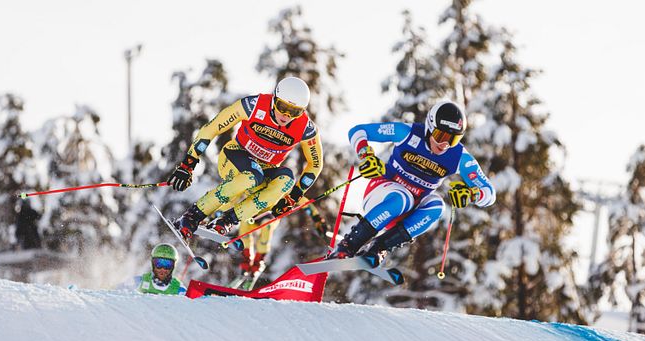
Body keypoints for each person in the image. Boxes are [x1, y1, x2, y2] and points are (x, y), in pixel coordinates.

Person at [329, 100, 496, 262]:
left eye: (452, 140)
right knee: (403, 197)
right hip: (381, 195)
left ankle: (379, 248)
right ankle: (348, 244)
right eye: (440, 136)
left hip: (408, 210)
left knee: (437, 206)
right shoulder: (406, 133)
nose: (444, 144)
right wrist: (366, 155)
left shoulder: (458, 156)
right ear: (430, 127)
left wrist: (472, 194)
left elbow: (490, 193)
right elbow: (357, 131)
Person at [167, 76, 323, 241]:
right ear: (274, 98)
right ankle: (192, 215)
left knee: (287, 181)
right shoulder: (253, 105)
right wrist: (188, 163)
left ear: (302, 111)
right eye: (282, 107)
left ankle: (228, 219)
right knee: (252, 176)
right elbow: (211, 128)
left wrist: (293, 196)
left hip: (265, 169)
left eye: (294, 112)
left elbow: (316, 164)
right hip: (235, 155)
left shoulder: (306, 128)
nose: (285, 115)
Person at [232, 199, 326, 290]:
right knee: (244, 223)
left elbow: (303, 201)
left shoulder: (282, 185)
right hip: (253, 216)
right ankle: (245, 265)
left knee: (266, 225)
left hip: (269, 217)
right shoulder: (255, 183)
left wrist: (317, 218)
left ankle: (256, 267)